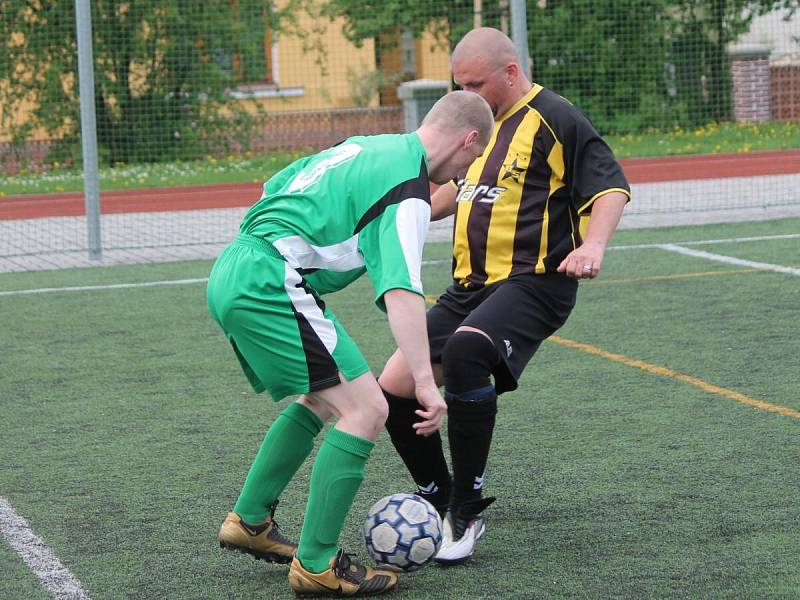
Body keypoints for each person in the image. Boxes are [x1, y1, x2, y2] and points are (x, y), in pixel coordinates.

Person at [206, 90, 493, 596]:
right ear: (469, 139)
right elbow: (402, 291)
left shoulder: (370, 148)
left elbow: (277, 190)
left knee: (321, 399)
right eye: (475, 156)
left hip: (241, 268)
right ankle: (316, 564)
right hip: (272, 281)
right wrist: (426, 384)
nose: (469, 169)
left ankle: (250, 519)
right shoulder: (404, 185)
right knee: (369, 410)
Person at [379, 27, 631, 565]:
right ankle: (439, 499)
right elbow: (454, 190)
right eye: (459, 85)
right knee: (394, 386)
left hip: (536, 282)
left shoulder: (556, 118)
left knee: (469, 351)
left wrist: (594, 245)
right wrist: (390, 208)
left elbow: (609, 185)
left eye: (475, 83)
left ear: (510, 73)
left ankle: (465, 513)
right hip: (469, 287)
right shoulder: (479, 126)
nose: (466, 94)